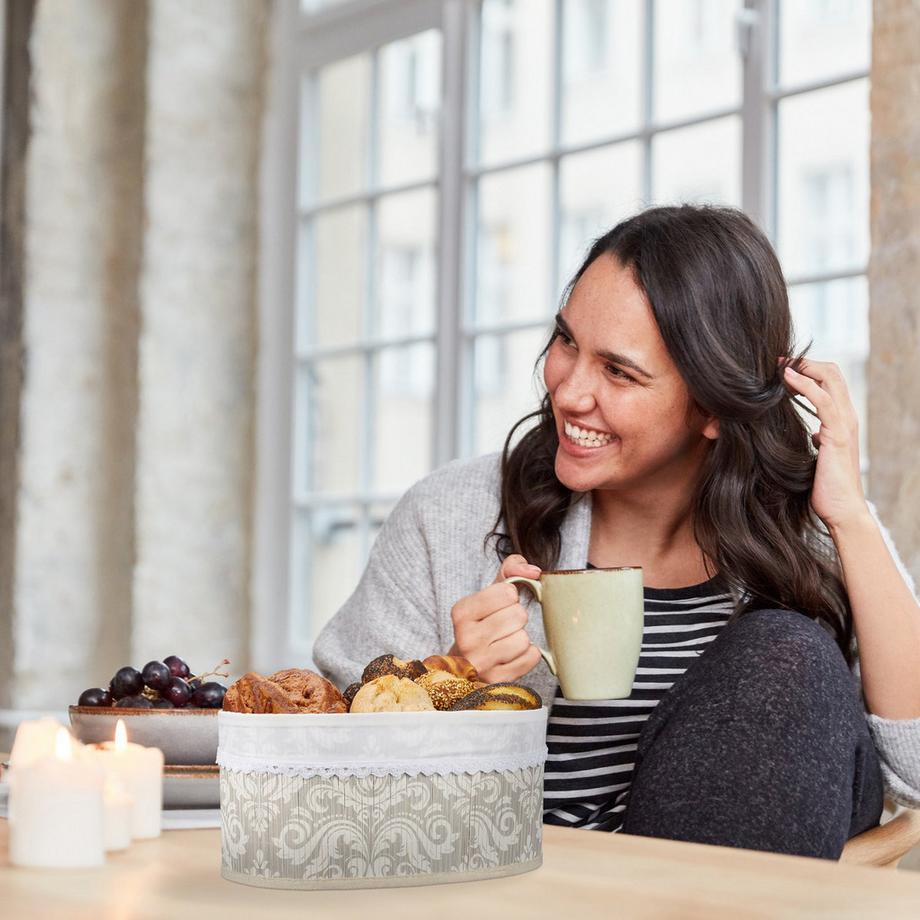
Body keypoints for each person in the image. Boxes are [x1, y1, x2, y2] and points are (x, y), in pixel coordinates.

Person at [313, 204, 920, 859]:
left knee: (787, 648)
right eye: (567, 341)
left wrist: (850, 516)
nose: (570, 391)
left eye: (619, 372)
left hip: (720, 901)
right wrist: (453, 684)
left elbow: (913, 772)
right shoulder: (450, 516)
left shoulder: (808, 533)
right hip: (528, 896)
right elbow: (323, 773)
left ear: (714, 406)